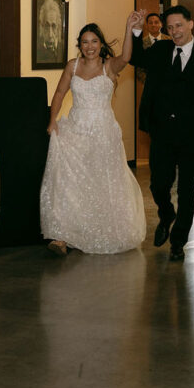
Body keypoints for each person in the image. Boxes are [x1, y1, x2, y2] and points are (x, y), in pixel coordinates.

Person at [129, 4, 194, 262]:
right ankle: (166, 215)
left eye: (179, 26)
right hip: (161, 132)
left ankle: (179, 241)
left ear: (190, 24)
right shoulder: (160, 50)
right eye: (170, 27)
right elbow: (136, 58)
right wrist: (136, 32)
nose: (175, 32)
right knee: (158, 184)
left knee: (187, 190)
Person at [40, 20, 146, 255]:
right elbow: (59, 93)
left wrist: (128, 28)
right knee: (69, 181)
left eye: (94, 42)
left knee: (102, 181)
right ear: (80, 45)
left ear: (101, 44)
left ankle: (101, 230)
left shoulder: (110, 66)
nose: (90, 47)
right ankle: (62, 236)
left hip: (103, 133)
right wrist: (53, 120)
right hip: (76, 130)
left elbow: (127, 57)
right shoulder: (73, 66)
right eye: (85, 42)